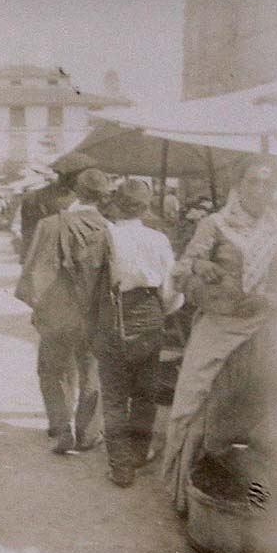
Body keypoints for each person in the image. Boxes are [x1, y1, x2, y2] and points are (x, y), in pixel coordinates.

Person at [162, 162, 277, 516]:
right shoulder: (214, 224)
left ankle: (255, 495)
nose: (260, 189)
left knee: (261, 403)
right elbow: (183, 269)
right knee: (191, 399)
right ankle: (180, 490)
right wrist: (201, 267)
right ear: (239, 184)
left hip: (263, 322)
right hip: (219, 322)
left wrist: (273, 298)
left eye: (266, 183)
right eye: (253, 181)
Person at [91, 178, 183, 488]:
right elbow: (172, 290)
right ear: (146, 207)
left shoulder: (107, 236)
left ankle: (121, 468)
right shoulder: (158, 239)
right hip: (150, 320)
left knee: (115, 397)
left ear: (116, 203)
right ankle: (139, 453)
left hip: (113, 320)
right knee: (145, 395)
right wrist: (163, 312)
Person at [15, 169, 113, 454]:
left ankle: (61, 428)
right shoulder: (108, 229)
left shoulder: (49, 225)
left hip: (56, 313)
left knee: (52, 370)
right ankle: (88, 433)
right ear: (103, 197)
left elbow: (32, 273)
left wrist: (40, 307)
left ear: (76, 193)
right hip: (93, 315)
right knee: (91, 372)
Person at [19, 174, 77, 264]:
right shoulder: (72, 197)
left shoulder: (31, 196)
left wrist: (25, 254)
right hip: (56, 247)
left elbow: (25, 229)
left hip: (40, 246)